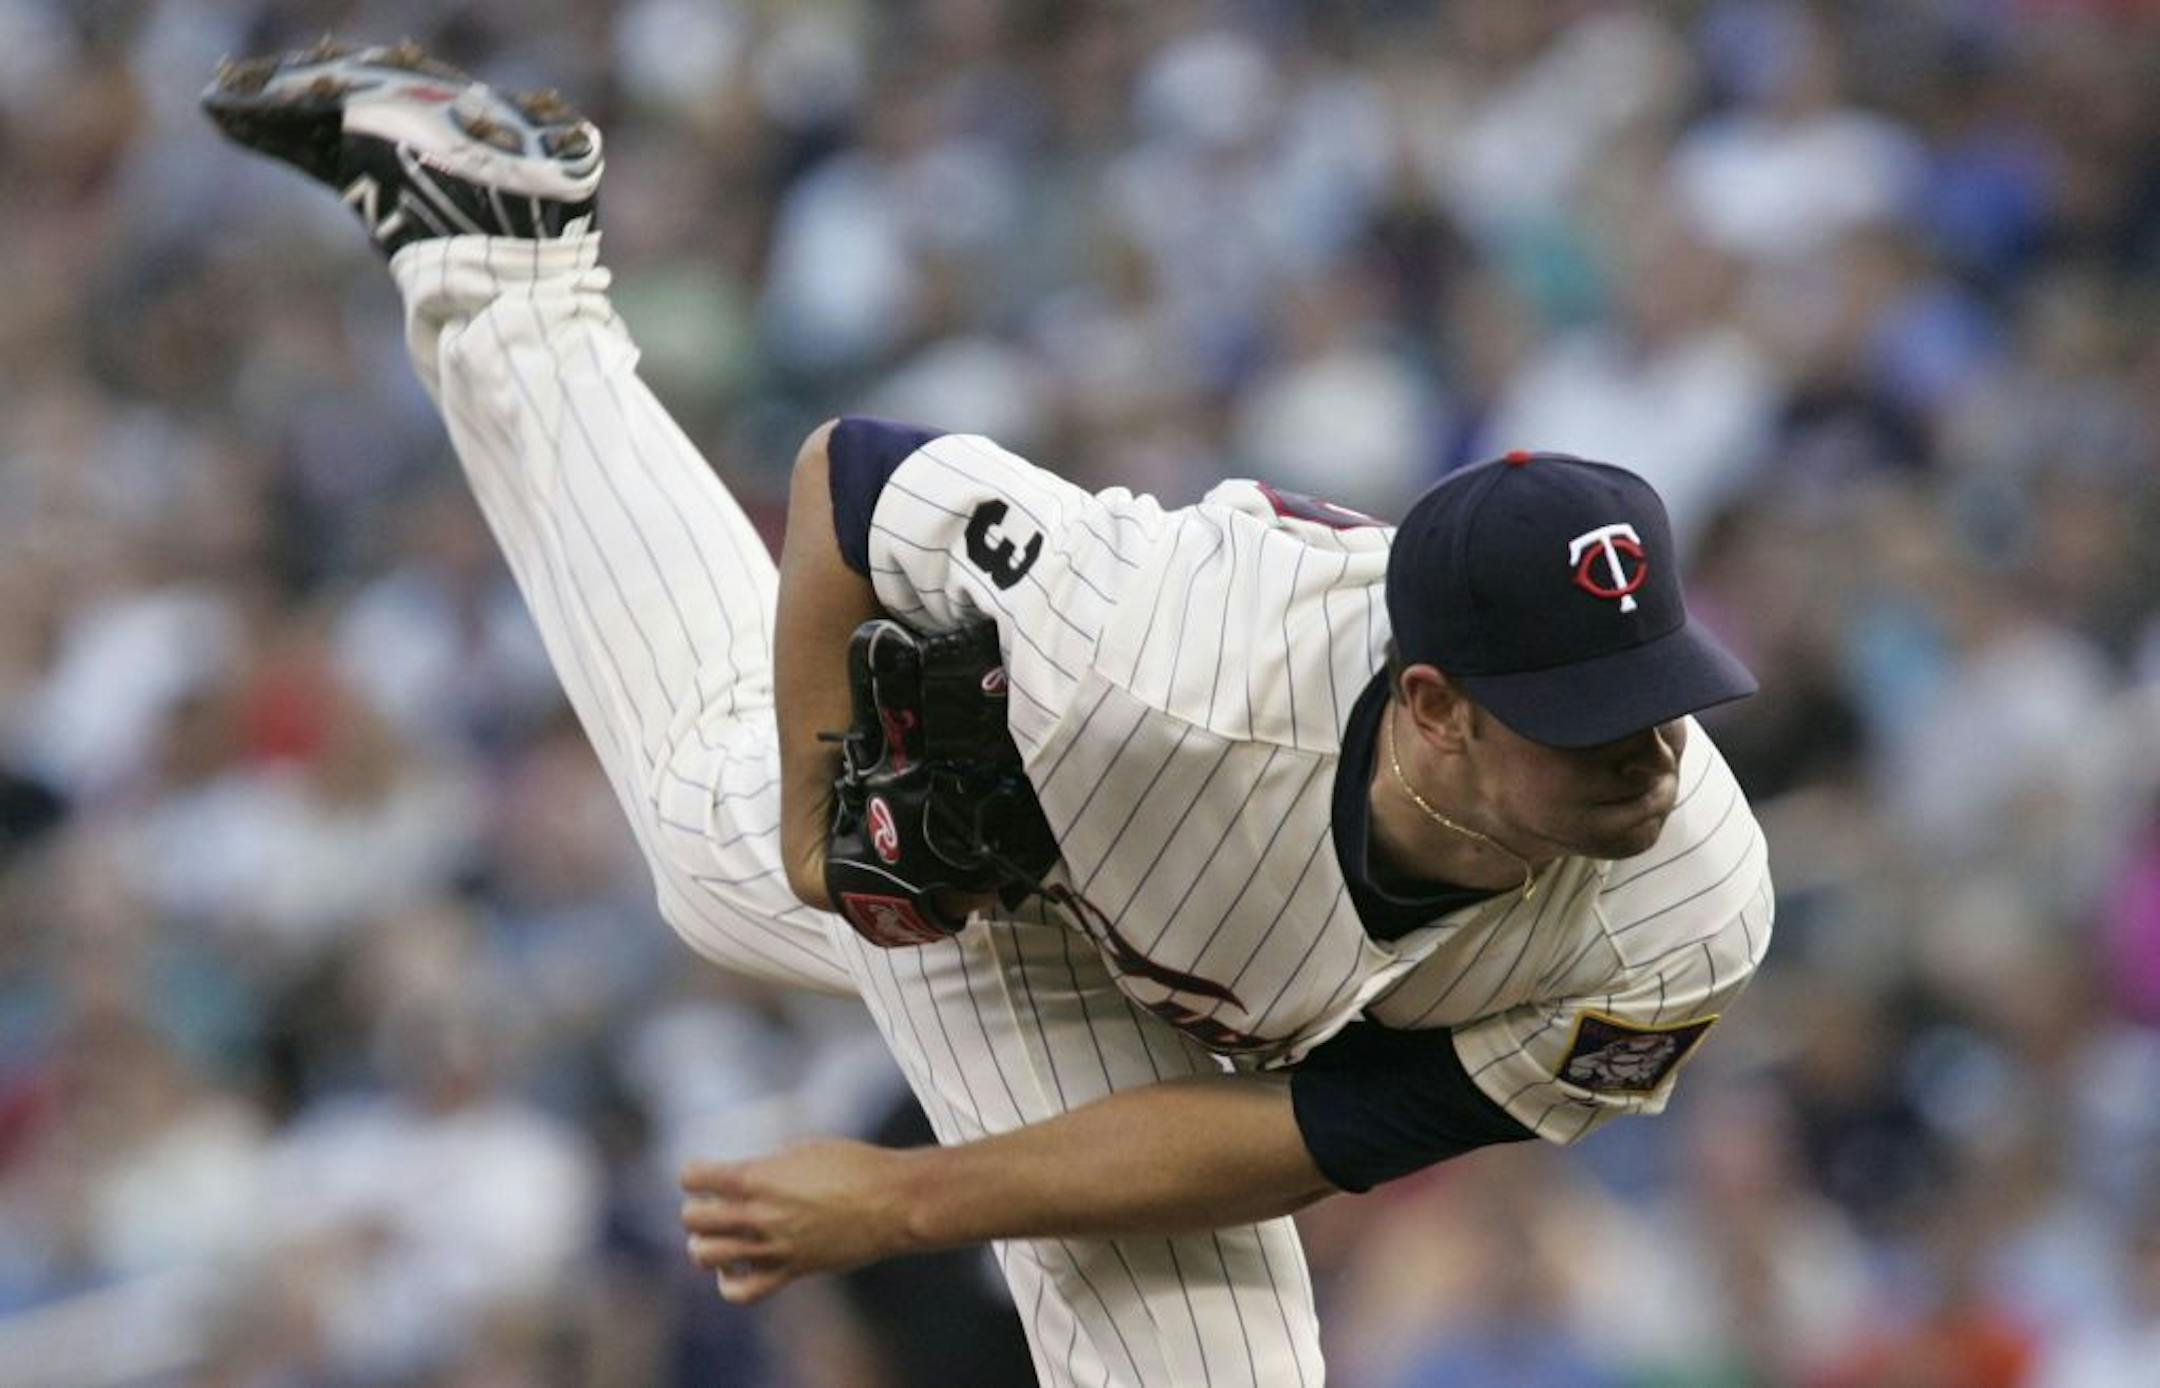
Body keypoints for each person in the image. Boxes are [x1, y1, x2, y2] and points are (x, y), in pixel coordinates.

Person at [203, 42, 1773, 1387]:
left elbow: (1300, 1138)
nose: (1648, 751)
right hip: (1035, 878)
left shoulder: (1686, 909)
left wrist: (899, 1202)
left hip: (1225, 977)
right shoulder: (1152, 655)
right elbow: (862, 474)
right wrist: (827, 805)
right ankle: (503, 269)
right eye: (1584, 719)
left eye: (1656, 697)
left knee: (698, 838)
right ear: (1434, 708)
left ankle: (497, 258)